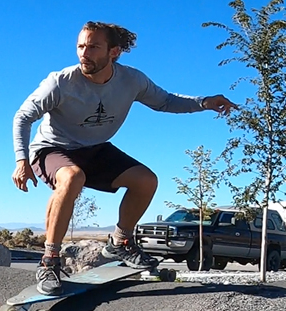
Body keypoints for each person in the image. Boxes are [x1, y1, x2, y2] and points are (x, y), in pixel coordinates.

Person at [12, 21, 237, 294]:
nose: (84, 53)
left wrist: (203, 102)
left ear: (114, 52)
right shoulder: (59, 83)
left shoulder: (131, 80)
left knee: (145, 181)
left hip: (95, 147)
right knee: (72, 177)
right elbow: (23, 117)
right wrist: (22, 160)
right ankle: (50, 261)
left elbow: (165, 101)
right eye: (81, 46)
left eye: (94, 47)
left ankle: (120, 242)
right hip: (52, 148)